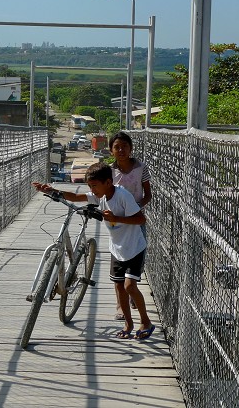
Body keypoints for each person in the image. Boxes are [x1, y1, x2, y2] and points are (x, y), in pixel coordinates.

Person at [33, 162, 156, 340]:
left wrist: (116, 218)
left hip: (134, 247)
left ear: (108, 182)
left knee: (130, 286)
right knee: (120, 287)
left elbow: (140, 219)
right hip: (117, 249)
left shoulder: (123, 196)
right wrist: (52, 191)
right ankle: (128, 323)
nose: (92, 189)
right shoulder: (101, 196)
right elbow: (76, 197)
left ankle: (145, 321)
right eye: (90, 186)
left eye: (94, 186)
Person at [108, 131, 152, 320]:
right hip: (116, 220)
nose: (121, 150)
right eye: (117, 147)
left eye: (124, 146)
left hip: (136, 218)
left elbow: (148, 193)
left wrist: (137, 207)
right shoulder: (110, 171)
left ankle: (132, 291)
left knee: (136, 257)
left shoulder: (141, 168)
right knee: (118, 258)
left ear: (131, 148)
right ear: (111, 150)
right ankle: (120, 305)